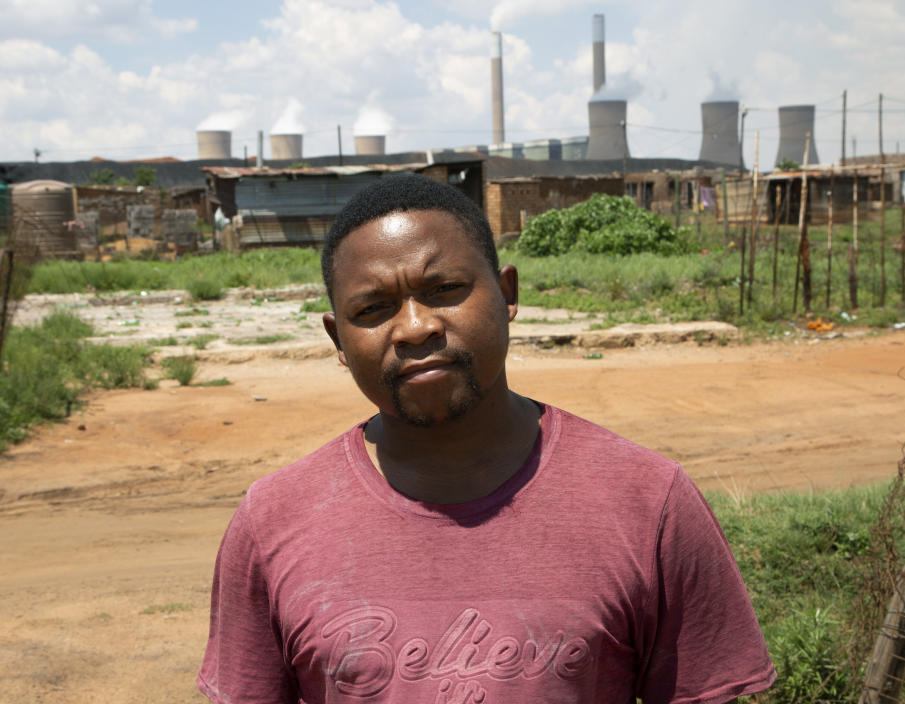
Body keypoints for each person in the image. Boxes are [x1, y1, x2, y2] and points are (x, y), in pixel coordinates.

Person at [197, 173, 776, 704]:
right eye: (373, 308)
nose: (416, 327)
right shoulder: (270, 523)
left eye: (445, 287)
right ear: (338, 340)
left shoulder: (650, 504)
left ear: (507, 293)